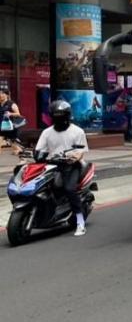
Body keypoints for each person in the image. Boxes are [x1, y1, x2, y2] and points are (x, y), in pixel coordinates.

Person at [35, 100, 89, 236]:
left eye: (61, 115)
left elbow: (81, 151)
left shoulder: (78, 131)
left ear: (68, 116)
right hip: (51, 165)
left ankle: (80, 222)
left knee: (70, 189)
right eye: (55, 116)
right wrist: (36, 155)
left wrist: (74, 157)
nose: (58, 119)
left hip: (71, 166)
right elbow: (39, 149)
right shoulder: (47, 132)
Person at [0, 88, 24, 155]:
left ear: (7, 95)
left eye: (2, 93)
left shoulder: (11, 104)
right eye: (0, 93)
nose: (0, 95)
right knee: (11, 142)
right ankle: (20, 151)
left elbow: (18, 114)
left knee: (11, 142)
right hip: (2, 127)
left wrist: (10, 114)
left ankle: (20, 151)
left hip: (9, 127)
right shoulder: (0, 104)